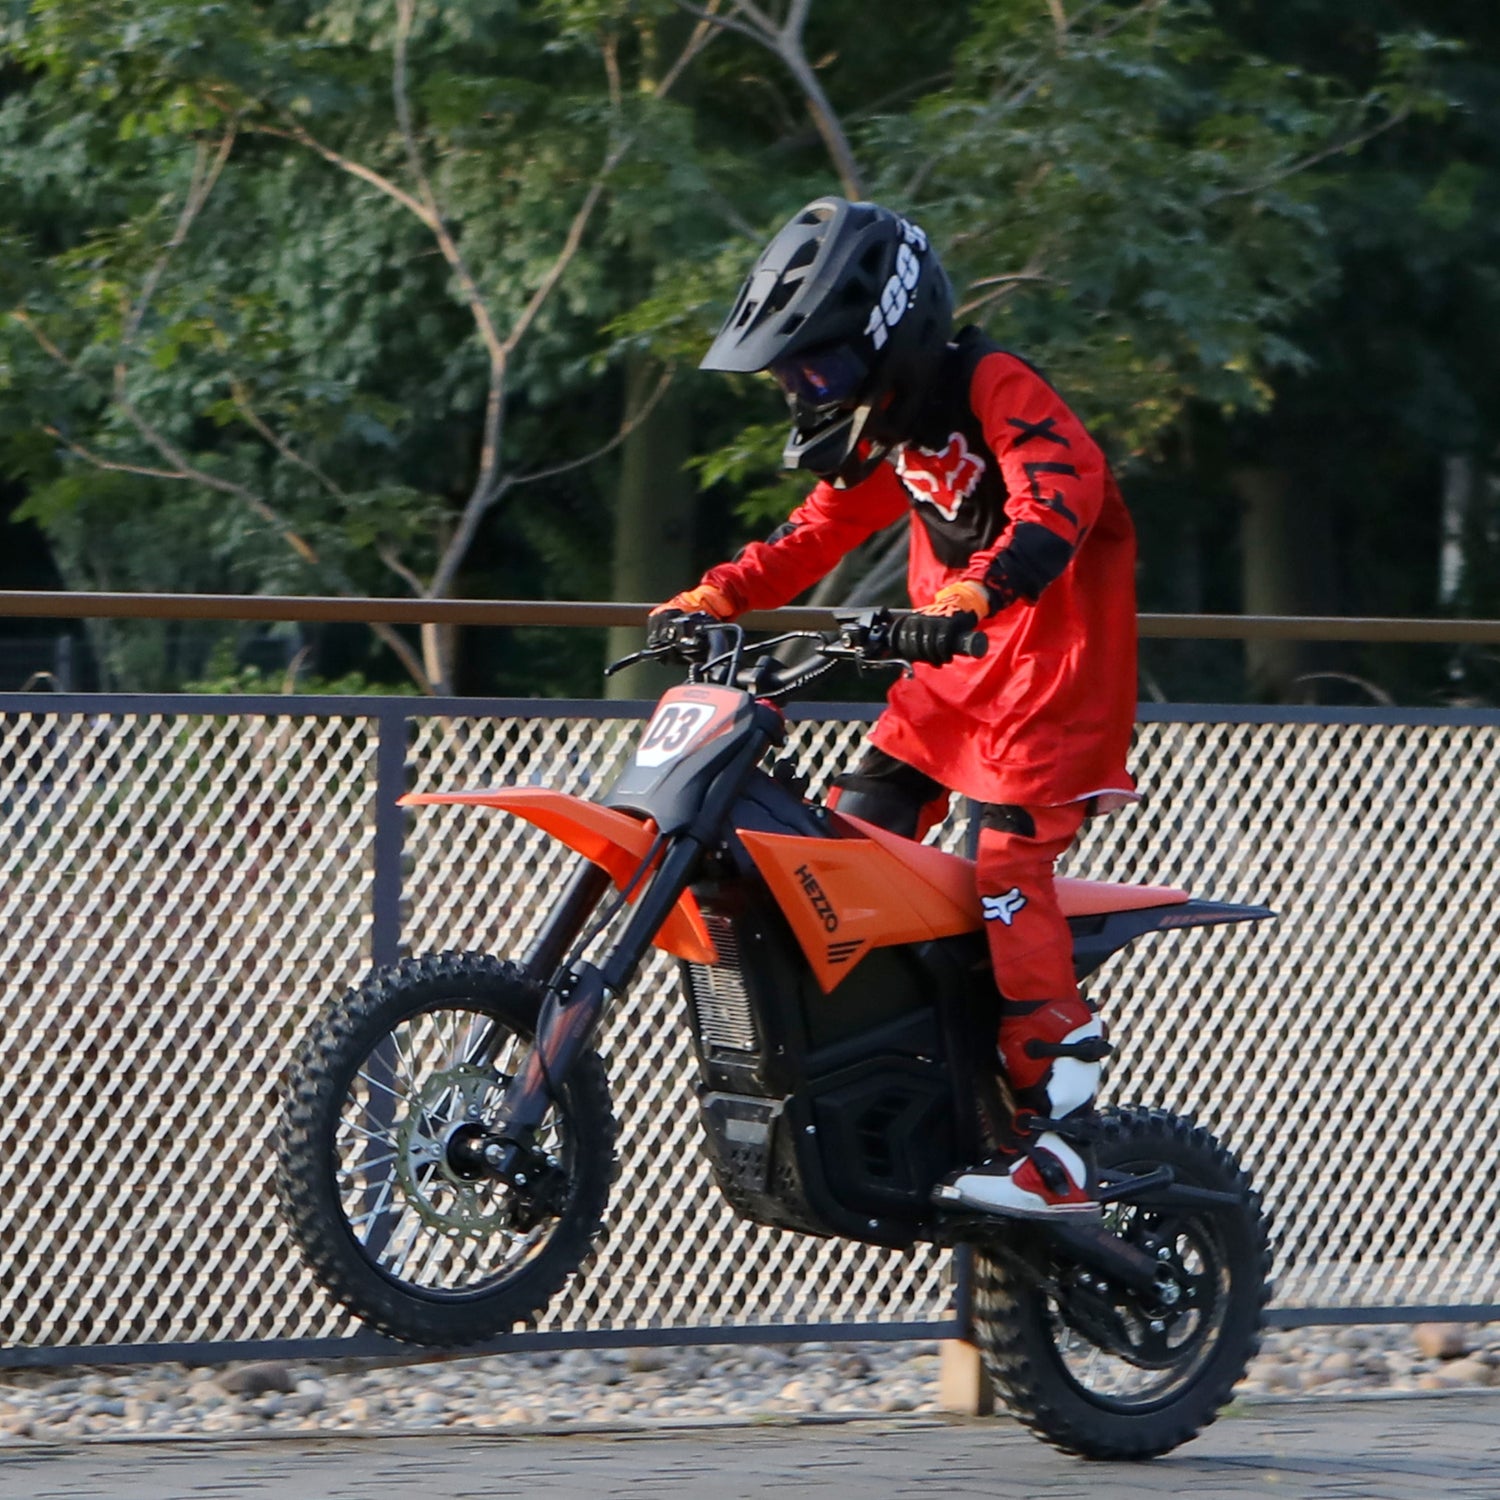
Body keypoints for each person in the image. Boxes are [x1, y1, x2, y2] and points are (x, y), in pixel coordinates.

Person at [649, 197, 1138, 1221]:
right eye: (792, 379)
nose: (806, 393)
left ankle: (1064, 1140)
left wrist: (974, 593)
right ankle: (919, 1073)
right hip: (949, 689)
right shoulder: (901, 433)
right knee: (840, 858)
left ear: (892, 334)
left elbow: (1063, 494)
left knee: (1007, 878)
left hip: (1048, 688)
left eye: (819, 370)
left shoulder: (993, 385)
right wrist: (718, 594)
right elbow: (823, 526)